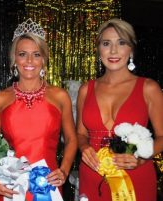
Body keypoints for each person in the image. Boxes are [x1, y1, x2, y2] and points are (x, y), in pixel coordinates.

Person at [0, 18, 78, 201]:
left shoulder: (60, 96)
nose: (29, 60)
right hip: (10, 187)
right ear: (14, 59)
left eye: (36, 54)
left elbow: (71, 139)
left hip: (48, 186)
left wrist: (64, 170)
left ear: (44, 59)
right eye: (22, 54)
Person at [76, 18, 163, 201]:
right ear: (99, 49)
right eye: (106, 43)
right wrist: (84, 147)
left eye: (121, 43)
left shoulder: (148, 87)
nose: (113, 51)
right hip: (93, 176)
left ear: (131, 49)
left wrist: (141, 157)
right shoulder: (86, 89)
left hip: (135, 174)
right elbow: (81, 133)